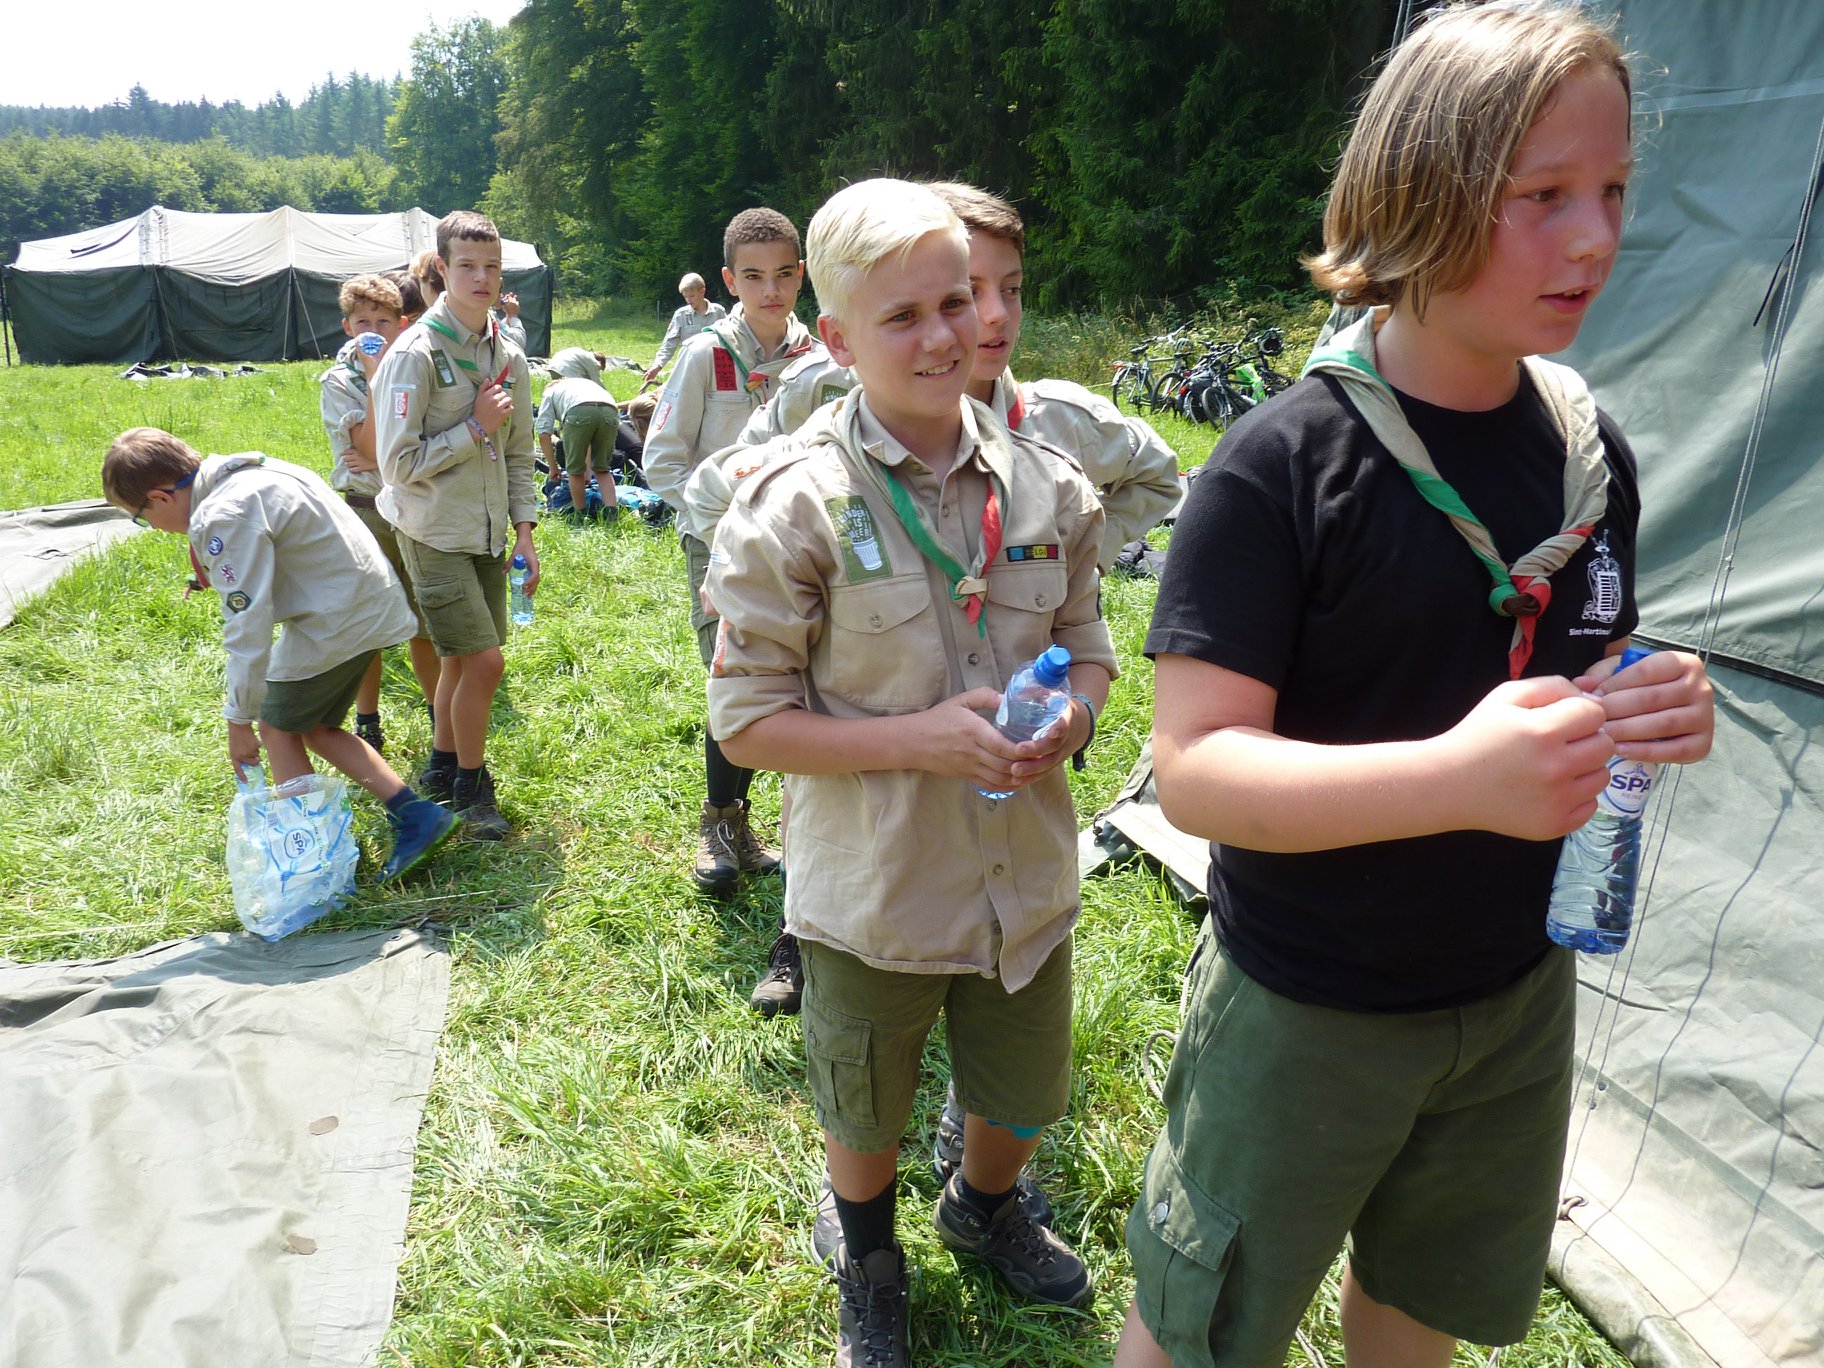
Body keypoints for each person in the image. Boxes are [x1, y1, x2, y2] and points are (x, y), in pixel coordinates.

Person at [1114, 7, 1716, 1366]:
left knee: (1424, 1306)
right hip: (1309, 1006)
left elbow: (1575, 656)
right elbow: (1198, 770)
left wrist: (1647, 694)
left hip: (1516, 992)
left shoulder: (1587, 453)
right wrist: (1457, 777)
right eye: (1543, 196)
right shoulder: (1284, 467)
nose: (1596, 238)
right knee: (1208, 1323)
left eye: (1615, 190)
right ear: (1421, 191)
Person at [707, 178, 1116, 1367]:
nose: (948, 334)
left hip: (1021, 876)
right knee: (866, 1099)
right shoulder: (793, 506)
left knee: (1021, 1087)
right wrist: (918, 739)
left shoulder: (1048, 486)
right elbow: (747, 723)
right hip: (878, 890)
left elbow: (1090, 649)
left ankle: (982, 1207)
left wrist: (1076, 720)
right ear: (838, 340)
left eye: (960, 301)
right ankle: (871, 1257)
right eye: (904, 317)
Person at [101, 428, 457, 880]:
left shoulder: (223, 514)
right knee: (313, 726)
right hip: (363, 602)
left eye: (141, 517)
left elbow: (247, 625)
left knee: (277, 727)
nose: (152, 527)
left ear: (160, 497)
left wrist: (238, 720)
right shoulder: (256, 470)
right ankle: (415, 814)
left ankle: (314, 859)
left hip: (337, 619)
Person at [643, 208, 815, 916]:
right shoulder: (704, 354)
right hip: (717, 545)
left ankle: (752, 827)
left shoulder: (818, 359)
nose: (770, 290)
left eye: (783, 274)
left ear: (801, 275)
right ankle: (718, 825)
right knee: (732, 677)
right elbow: (661, 459)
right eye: (753, 276)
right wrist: (724, 518)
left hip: (798, 547)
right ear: (728, 280)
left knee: (789, 683)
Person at [374, 210, 539, 840]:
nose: (481, 278)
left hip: (489, 532)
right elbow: (396, 466)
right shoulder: (413, 354)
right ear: (441, 270)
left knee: (459, 664)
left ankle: (442, 765)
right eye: (467, 265)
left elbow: (520, 452)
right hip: (433, 530)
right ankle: (472, 787)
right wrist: (472, 429)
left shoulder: (509, 354)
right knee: (486, 663)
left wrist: (524, 532)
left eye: (491, 266)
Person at [932, 181, 1179, 570]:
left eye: (1012, 288)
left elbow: (1158, 473)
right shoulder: (857, 449)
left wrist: (1085, 551)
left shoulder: (1059, 420)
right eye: (967, 293)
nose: (998, 314)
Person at [319, 274, 441, 753]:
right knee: (370, 625)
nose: (373, 331)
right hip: (367, 510)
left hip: (415, 505)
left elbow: (414, 443)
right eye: (363, 322)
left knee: (423, 623)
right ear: (348, 327)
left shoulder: (416, 368)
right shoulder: (340, 381)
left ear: (401, 324)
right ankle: (367, 721)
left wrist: (381, 455)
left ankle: (439, 720)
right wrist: (373, 380)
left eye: (383, 322)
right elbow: (368, 447)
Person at [535, 365, 622, 521]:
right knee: (603, 469)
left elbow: (543, 433)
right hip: (610, 410)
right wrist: (587, 471)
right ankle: (612, 514)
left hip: (578, 412)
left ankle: (581, 516)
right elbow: (586, 440)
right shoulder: (580, 383)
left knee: (574, 471)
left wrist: (553, 468)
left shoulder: (550, 392)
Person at [643, 272, 729, 383]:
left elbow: (729, 339)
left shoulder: (718, 312)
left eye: (692, 296)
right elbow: (669, 343)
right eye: (685, 296)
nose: (688, 300)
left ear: (702, 291)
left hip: (716, 369)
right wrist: (658, 365)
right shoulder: (681, 315)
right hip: (690, 369)